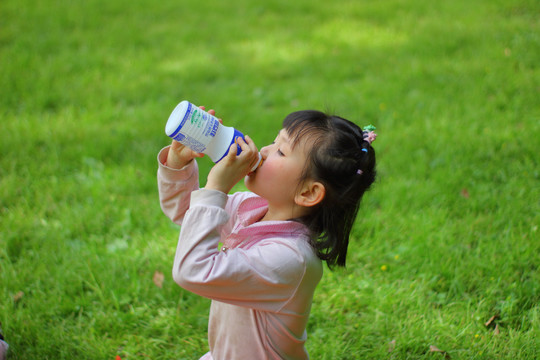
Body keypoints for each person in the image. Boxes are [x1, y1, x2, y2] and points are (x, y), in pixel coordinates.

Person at [157, 107, 377, 359]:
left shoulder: (291, 258)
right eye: (274, 142)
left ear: (307, 193)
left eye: (281, 151)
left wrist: (216, 187)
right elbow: (189, 214)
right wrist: (179, 162)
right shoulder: (251, 208)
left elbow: (192, 271)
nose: (263, 150)